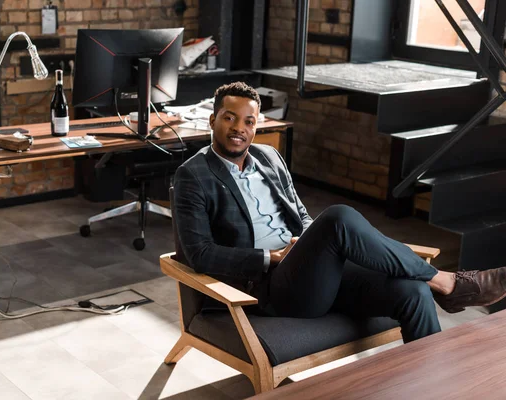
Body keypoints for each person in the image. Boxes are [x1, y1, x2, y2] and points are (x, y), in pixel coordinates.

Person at [173, 81, 506, 343]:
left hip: (309, 270)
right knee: (338, 217)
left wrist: (313, 245)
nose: (239, 128)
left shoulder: (269, 157)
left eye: (249, 121)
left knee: (413, 291)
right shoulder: (193, 175)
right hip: (270, 287)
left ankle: (428, 382)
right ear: (213, 118)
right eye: (229, 118)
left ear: (257, 125)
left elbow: (301, 216)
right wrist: (273, 258)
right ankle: (448, 282)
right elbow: (199, 254)